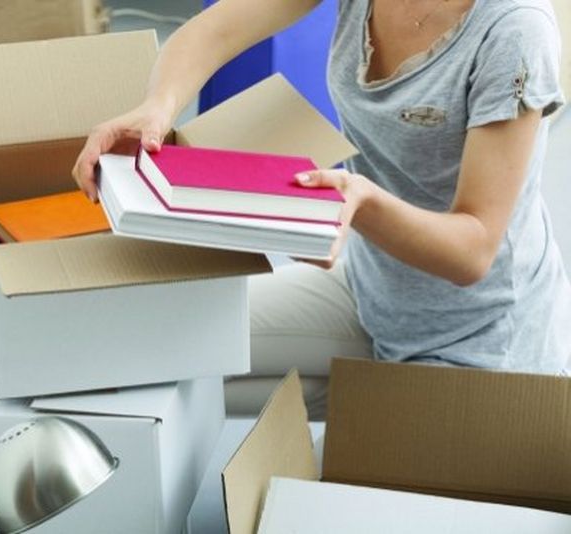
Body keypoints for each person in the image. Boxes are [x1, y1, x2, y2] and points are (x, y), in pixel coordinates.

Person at [72, 0, 571, 416]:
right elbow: (216, 30)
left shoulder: (514, 30)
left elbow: (474, 249)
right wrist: (159, 106)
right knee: (160, 357)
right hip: (370, 290)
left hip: (482, 344)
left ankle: (371, 404)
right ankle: (367, 396)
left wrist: (361, 203)